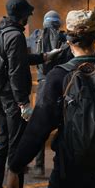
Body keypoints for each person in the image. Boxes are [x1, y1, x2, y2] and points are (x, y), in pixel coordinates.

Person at [5, 9, 95, 188]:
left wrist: (15, 167)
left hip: (68, 168)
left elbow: (38, 128)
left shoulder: (57, 76)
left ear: (68, 39)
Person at [0, 0, 61, 188]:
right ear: (22, 16)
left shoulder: (0, 33)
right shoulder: (16, 36)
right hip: (12, 99)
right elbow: (16, 71)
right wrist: (23, 103)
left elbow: (17, 60)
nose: (29, 18)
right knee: (16, 147)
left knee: (2, 145)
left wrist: (45, 56)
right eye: (27, 14)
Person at [28, 10, 73, 177]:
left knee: (41, 125)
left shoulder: (35, 36)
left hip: (42, 85)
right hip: (62, 85)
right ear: (59, 23)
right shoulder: (65, 39)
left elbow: (26, 54)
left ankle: (39, 166)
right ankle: (61, 164)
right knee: (64, 125)